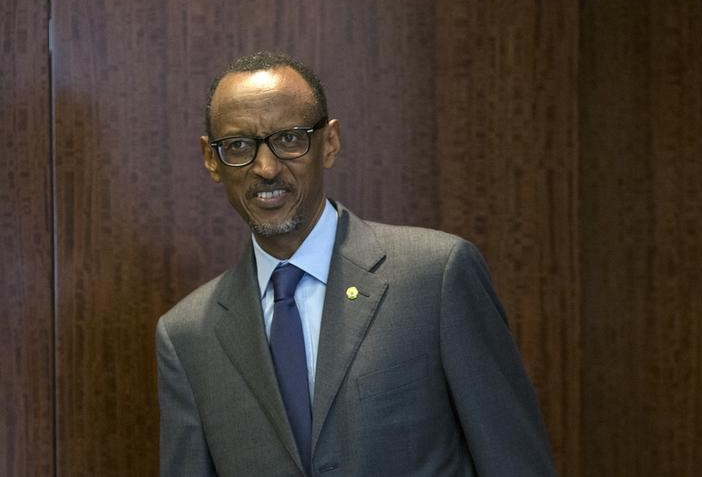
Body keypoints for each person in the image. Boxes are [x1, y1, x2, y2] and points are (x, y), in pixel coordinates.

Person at [156, 51, 556, 477]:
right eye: (238, 146)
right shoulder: (186, 336)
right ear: (211, 159)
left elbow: (514, 460)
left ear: (329, 143)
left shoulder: (436, 276)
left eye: (290, 139)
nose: (266, 167)